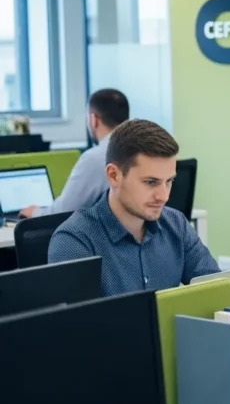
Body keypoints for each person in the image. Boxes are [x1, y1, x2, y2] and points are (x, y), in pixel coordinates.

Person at [47, 119, 219, 296]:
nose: (164, 196)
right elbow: (79, 323)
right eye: (151, 182)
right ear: (114, 176)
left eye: (169, 181)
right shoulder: (75, 242)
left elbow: (217, 292)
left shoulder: (176, 224)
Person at [20, 89, 130, 218]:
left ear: (94, 119)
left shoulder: (95, 158)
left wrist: (34, 212)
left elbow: (64, 211)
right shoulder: (142, 149)